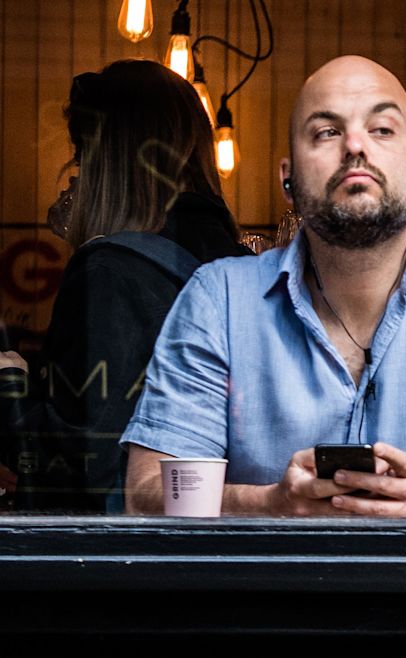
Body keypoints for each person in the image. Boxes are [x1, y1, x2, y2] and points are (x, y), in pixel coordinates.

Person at [120, 56, 406, 517]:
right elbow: (146, 495)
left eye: (382, 129)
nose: (355, 145)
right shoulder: (218, 300)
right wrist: (271, 504)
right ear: (288, 178)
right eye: (326, 132)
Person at [0, 59, 249, 513]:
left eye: (81, 156)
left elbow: (78, 462)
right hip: (230, 543)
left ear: (106, 162)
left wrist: (10, 385)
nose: (75, 175)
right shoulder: (245, 266)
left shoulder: (109, 271)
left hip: (123, 558)